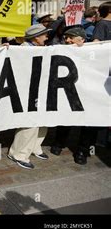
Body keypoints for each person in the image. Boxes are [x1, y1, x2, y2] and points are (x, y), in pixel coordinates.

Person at [50, 26, 98, 165]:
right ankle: (59, 143)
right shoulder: (61, 49)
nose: (68, 40)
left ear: (82, 39)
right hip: (70, 91)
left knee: (89, 124)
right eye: (66, 38)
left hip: (90, 92)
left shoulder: (94, 51)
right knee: (66, 117)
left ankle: (82, 150)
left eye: (71, 37)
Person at [7, 24, 51, 169]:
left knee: (43, 119)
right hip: (27, 90)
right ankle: (18, 153)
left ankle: (34, 147)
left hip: (42, 88)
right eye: (44, 34)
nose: (47, 37)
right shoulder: (23, 49)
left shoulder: (44, 48)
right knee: (29, 122)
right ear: (36, 37)